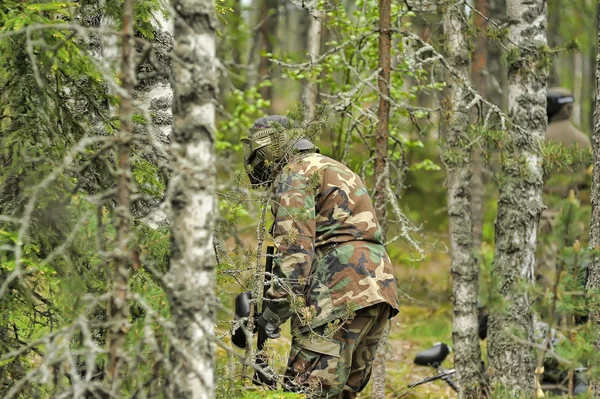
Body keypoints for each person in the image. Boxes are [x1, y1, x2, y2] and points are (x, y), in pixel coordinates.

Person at [242, 115, 400, 399]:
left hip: (337, 291)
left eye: (258, 155)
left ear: (269, 149)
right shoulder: (333, 166)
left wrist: (271, 313)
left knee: (304, 391)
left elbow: (295, 253)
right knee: (341, 394)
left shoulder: (295, 173)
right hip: (378, 289)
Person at [535, 87, 592, 291]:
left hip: (545, 216)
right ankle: (568, 323)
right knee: (571, 273)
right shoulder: (584, 140)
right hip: (573, 216)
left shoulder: (540, 137)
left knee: (545, 274)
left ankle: (545, 319)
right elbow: (587, 181)